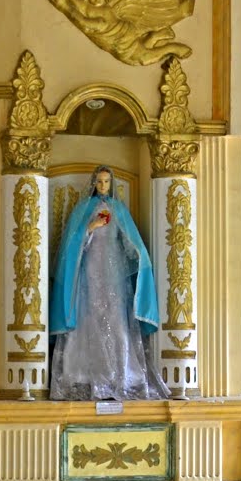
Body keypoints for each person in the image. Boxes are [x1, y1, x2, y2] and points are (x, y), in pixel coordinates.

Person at [49, 166, 168, 401]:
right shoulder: (84, 210)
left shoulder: (119, 210)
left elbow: (130, 240)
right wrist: (90, 228)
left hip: (113, 274)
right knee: (89, 321)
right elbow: (72, 245)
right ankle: (84, 376)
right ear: (94, 183)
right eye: (99, 182)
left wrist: (138, 253)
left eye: (106, 182)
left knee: (117, 323)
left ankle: (121, 376)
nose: (103, 186)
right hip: (90, 274)